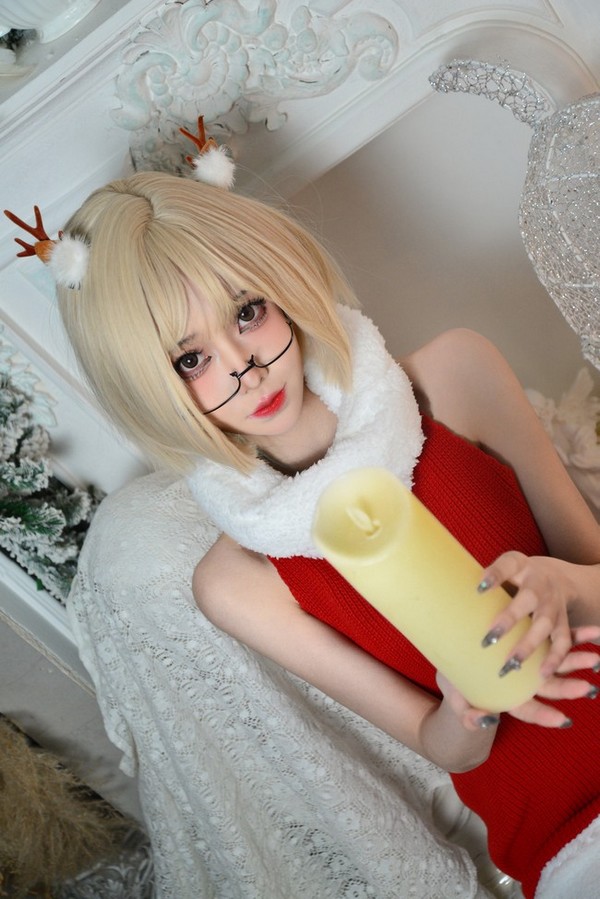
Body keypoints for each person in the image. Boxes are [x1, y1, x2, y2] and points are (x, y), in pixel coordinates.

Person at [7, 160, 600, 898]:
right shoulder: (239, 580)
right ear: (151, 387)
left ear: (281, 286)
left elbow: (593, 567)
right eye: (191, 358)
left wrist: (562, 585)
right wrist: (467, 705)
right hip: (567, 840)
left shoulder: (453, 375)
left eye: (246, 312)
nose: (244, 367)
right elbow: (439, 745)